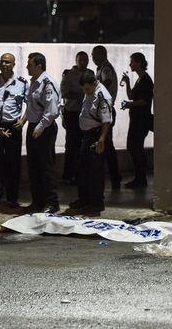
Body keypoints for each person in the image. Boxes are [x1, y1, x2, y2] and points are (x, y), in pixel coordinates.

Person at [63, 71, 112, 217]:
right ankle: (84, 199)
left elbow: (106, 121)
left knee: (95, 172)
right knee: (82, 168)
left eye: (87, 89)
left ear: (94, 83)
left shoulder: (102, 97)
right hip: (87, 135)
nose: (85, 92)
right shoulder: (90, 91)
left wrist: (101, 140)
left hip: (96, 136)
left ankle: (96, 204)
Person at [0, 53, 28, 209]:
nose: (4, 64)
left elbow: (30, 104)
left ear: (14, 64)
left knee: (13, 164)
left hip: (13, 128)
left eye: (7, 62)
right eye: (2, 61)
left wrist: (23, 121)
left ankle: (12, 198)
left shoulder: (22, 84)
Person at [24, 52, 60, 213]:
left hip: (44, 128)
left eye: (30, 65)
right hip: (34, 126)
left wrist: (40, 127)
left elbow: (51, 110)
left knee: (46, 166)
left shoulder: (48, 83)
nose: (27, 67)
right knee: (34, 166)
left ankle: (51, 202)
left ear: (39, 66)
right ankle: (37, 201)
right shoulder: (34, 82)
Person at [121, 52, 154, 188]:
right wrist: (128, 82)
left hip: (141, 120)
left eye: (132, 62)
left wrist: (129, 105)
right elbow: (131, 95)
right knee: (134, 147)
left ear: (139, 63)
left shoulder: (146, 80)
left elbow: (144, 101)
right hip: (136, 119)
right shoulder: (140, 79)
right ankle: (139, 178)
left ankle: (140, 179)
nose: (130, 64)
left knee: (135, 147)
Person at [60, 51, 93, 185]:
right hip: (72, 114)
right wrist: (83, 94)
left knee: (84, 146)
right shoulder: (68, 75)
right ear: (76, 60)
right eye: (81, 60)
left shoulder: (90, 74)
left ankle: (81, 175)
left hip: (85, 114)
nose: (84, 62)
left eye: (86, 60)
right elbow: (65, 93)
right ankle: (68, 175)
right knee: (71, 145)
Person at [91, 45, 122, 189]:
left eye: (95, 55)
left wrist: (95, 89)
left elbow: (107, 81)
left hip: (106, 110)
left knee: (107, 145)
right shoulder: (101, 68)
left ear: (102, 55)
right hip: (104, 110)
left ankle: (114, 177)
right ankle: (114, 176)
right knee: (107, 145)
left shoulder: (105, 69)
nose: (93, 58)